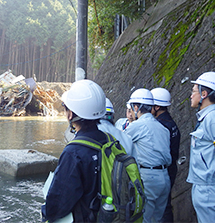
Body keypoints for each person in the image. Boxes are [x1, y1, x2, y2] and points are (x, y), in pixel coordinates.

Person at [41, 79, 108, 222]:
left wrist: (46, 212)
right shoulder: (109, 140)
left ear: (70, 114)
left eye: (65, 107)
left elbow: (58, 202)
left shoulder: (74, 152)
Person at [124, 88, 171, 223]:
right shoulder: (163, 128)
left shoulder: (138, 126)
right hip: (164, 177)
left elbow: (119, 143)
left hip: (148, 177)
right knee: (158, 218)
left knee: (144, 217)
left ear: (136, 107)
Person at [186, 71, 215, 223]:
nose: (191, 96)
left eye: (194, 91)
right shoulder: (205, 118)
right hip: (203, 186)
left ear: (204, 94)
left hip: (209, 188)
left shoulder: (212, 118)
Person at [151, 87, 181, 223]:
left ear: (156, 107)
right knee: (166, 205)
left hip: (164, 170)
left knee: (161, 207)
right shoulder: (171, 123)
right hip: (171, 167)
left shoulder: (160, 125)